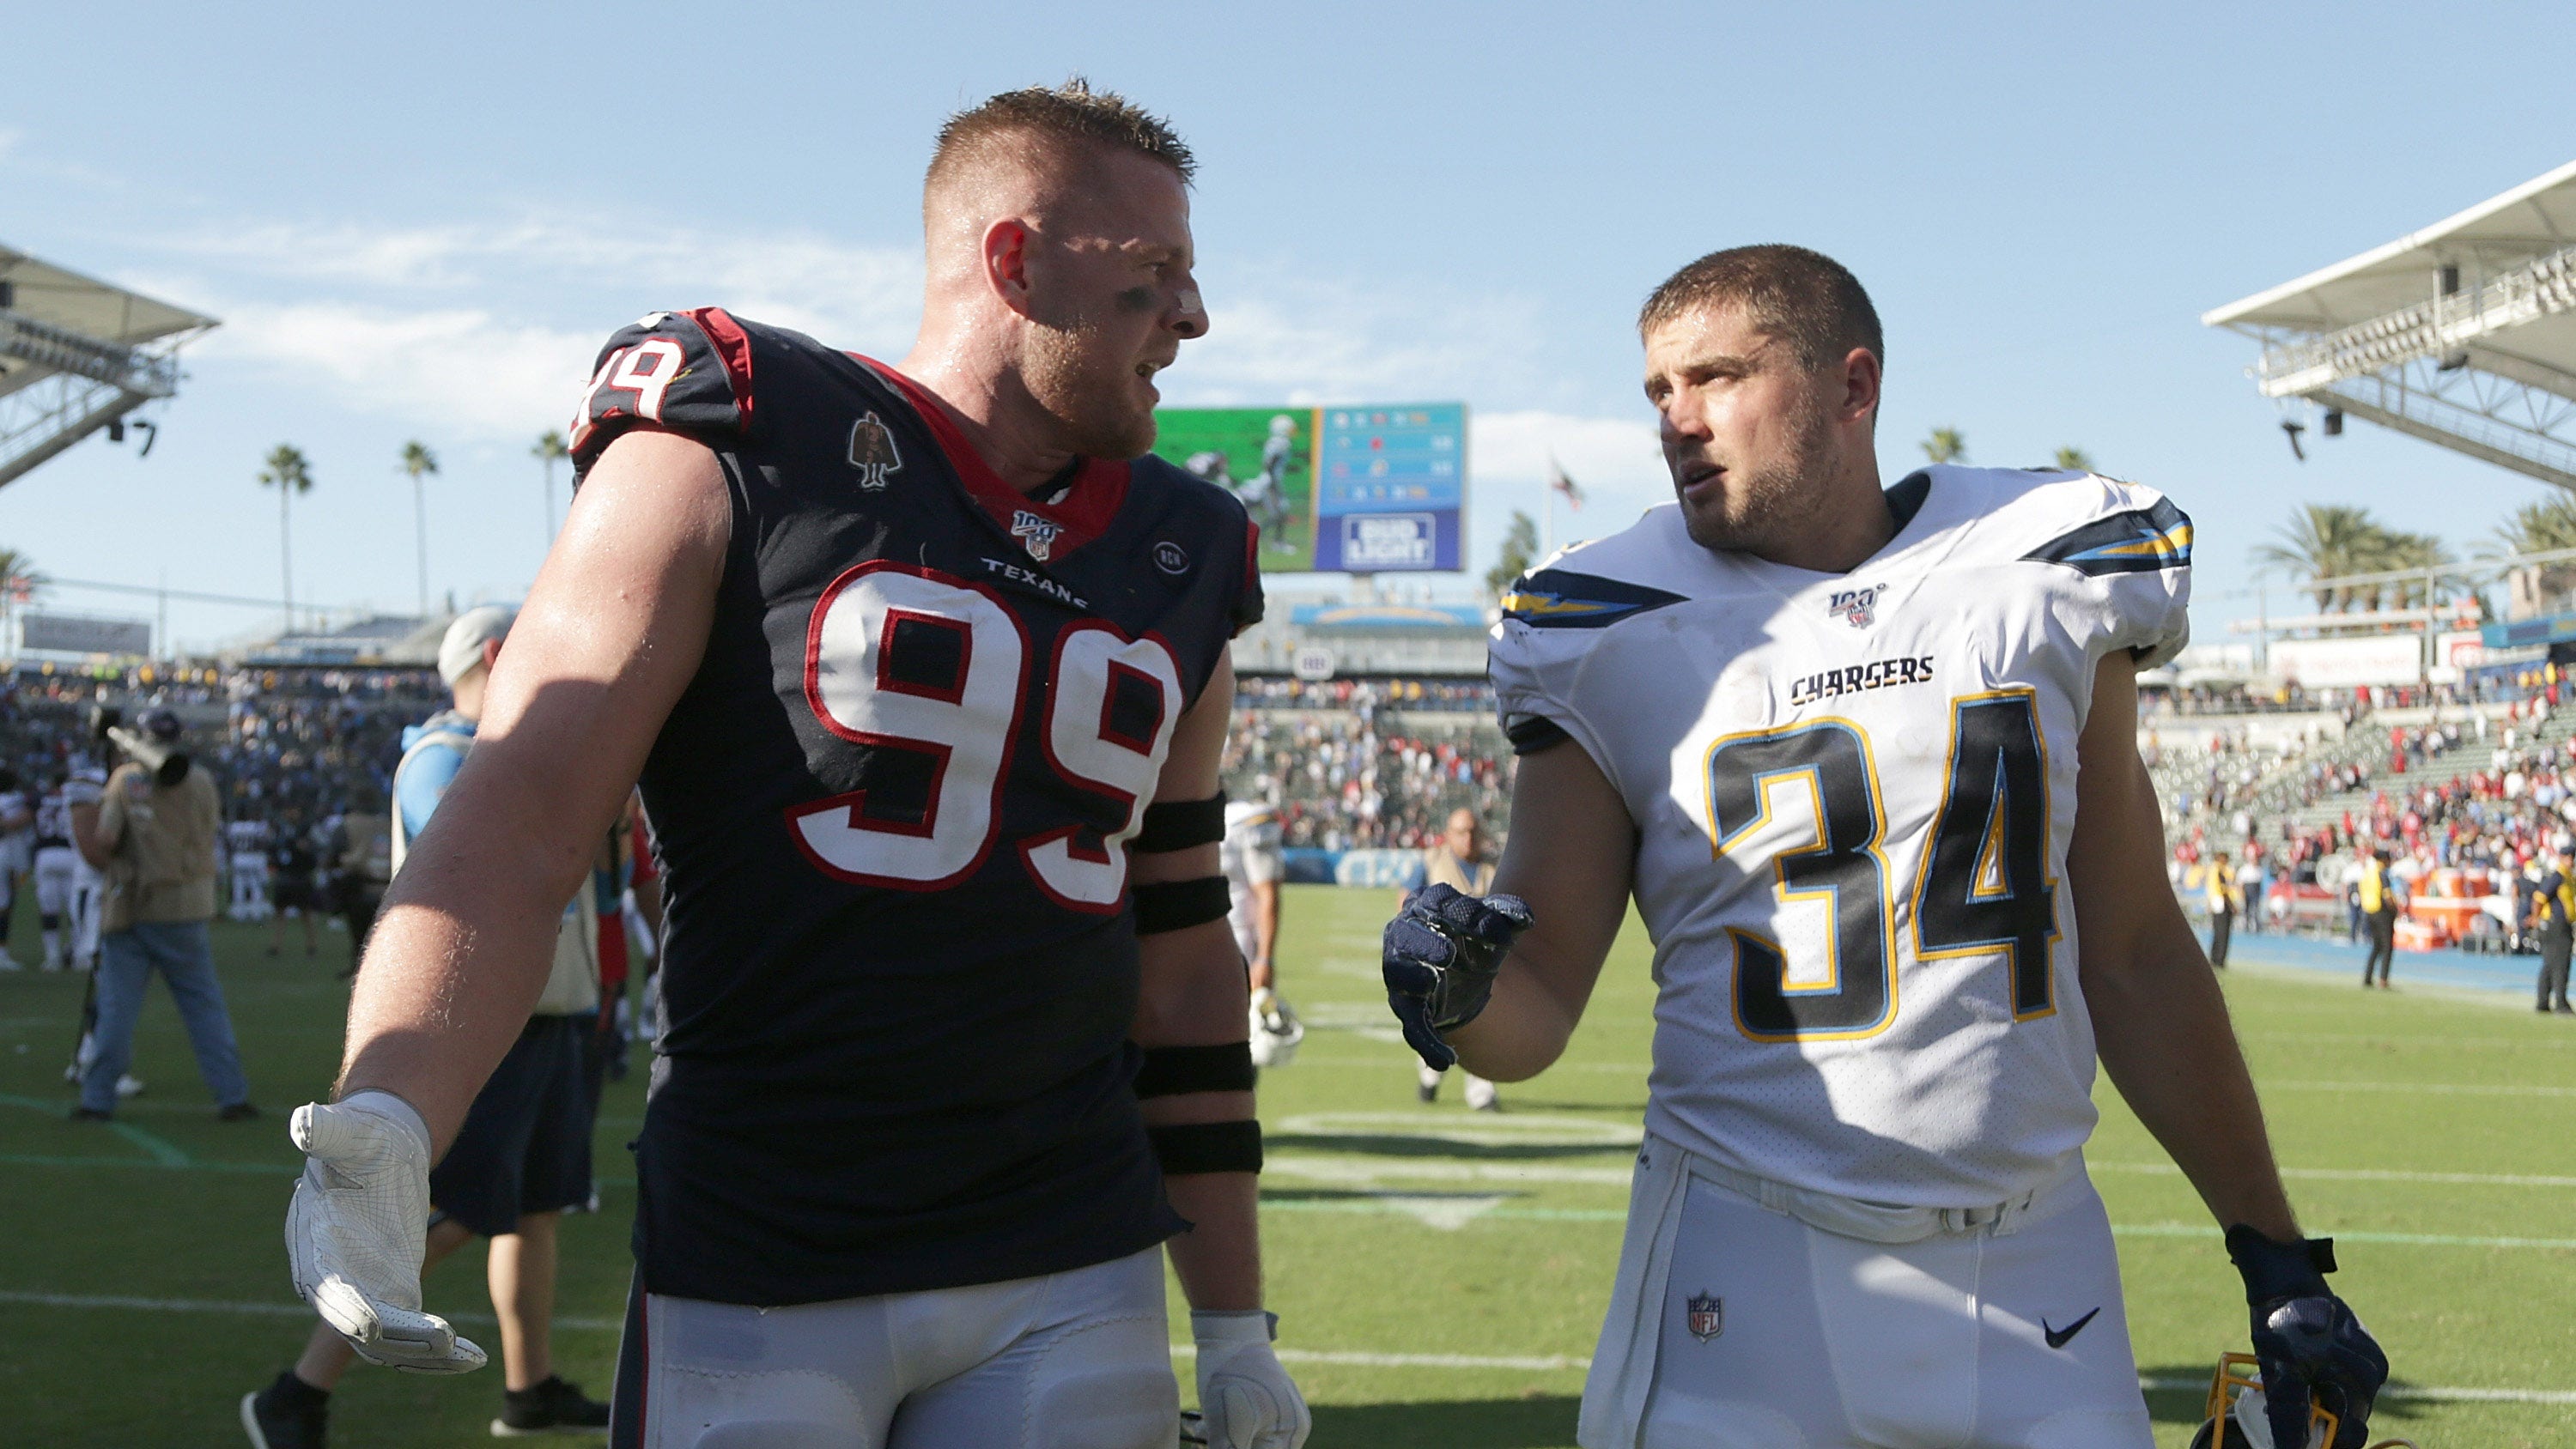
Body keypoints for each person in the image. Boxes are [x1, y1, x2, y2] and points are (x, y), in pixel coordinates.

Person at [277, 80, 1307, 1449]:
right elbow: (521, 811)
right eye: (1154, 274)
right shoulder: (740, 431)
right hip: (766, 1251)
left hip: (1075, 1249)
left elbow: (1181, 957)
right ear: (1013, 262)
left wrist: (1232, 1323)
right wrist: (391, 1106)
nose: (1193, 315)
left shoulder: (1185, 552)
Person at [1382, 246, 2386, 1449]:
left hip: (2040, 1264)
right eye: (1657, 390)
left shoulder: (2050, 559)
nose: (1677, 421)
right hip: (1744, 1260)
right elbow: (1535, 1010)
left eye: (1715, 378)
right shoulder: (1604, 620)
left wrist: (2282, 1259)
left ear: (1851, 387)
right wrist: (1456, 999)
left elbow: (2134, 954)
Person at [248, 607, 612, 1446]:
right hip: (493, 1015)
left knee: (536, 1206)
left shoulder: (500, 754)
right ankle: (297, 1390)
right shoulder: (446, 757)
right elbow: (504, 860)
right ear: (496, 654)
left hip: (554, 1003)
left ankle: (530, 1386)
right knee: (455, 1207)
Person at [71, 709, 257, 1125]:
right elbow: (209, 831)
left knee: (117, 1008)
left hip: (135, 905)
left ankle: (98, 1098)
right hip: (189, 904)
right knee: (204, 1006)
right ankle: (232, 1095)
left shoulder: (127, 779)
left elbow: (104, 839)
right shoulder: (203, 779)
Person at [1415, 807, 1500, 1111]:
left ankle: (1482, 1093)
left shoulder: (1496, 867)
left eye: (1474, 832)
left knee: (1480, 1024)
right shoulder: (1431, 861)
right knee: (1439, 1026)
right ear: (1449, 835)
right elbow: (1406, 900)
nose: (1469, 839)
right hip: (1440, 961)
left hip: (1482, 963)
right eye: (1462, 832)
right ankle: (1429, 1077)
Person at [1223, 798, 1301, 1067]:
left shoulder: (1243, 820)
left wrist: (1264, 958)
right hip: (1198, 948)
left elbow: (1267, 892)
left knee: (1238, 1050)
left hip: (1238, 946)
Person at [267, 812, 321, 959]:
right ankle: (276, 945)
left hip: (299, 879)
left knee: (305, 914)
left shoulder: (303, 835)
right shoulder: (281, 834)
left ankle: (311, 945)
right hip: (288, 879)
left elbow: (312, 860)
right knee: (281, 914)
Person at [2530, 849, 2573, 1014]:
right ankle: (2560, 1003)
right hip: (2556, 925)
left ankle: (2543, 1002)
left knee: (2550, 963)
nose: (2571, 860)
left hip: (2560, 925)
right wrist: (2535, 917)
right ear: (2561, 858)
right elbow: (2540, 897)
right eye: (2568, 857)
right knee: (2560, 963)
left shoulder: (2568, 877)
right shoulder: (2557, 877)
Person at [0, 767, 31, 968]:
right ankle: (2, 953)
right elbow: (19, 821)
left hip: (9, 853)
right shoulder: (15, 800)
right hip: (8, 855)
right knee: (4, 905)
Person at [2358, 848, 2399, 989]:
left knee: (2376, 946)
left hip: (2369, 911)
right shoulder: (2382, 873)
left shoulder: (2367, 872)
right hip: (2382, 912)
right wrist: (2395, 910)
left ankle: (2368, 977)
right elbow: (2387, 896)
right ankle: (2383, 979)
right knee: (2387, 946)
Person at [2205, 849, 2241, 968]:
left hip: (2216, 902)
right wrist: (2231, 905)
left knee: (2217, 932)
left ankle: (2214, 958)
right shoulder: (2219, 869)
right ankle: (2219, 960)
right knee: (2223, 933)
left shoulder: (2212, 869)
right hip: (2221, 903)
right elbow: (2223, 889)